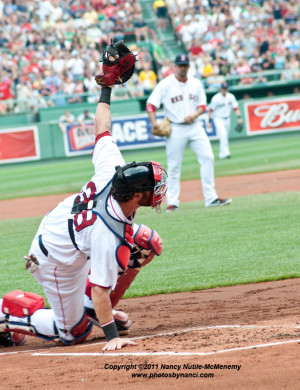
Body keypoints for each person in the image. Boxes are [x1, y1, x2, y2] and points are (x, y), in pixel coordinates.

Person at [0, 73, 167, 351]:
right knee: (73, 334)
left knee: (146, 243)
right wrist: (112, 336)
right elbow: (102, 290)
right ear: (137, 195)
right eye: (153, 187)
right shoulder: (108, 232)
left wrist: (107, 87)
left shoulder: (114, 169)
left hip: (71, 229)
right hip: (55, 259)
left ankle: (89, 308)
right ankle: (6, 315)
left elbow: (102, 126)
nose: (158, 189)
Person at [146, 54, 231, 211]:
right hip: (175, 128)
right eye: (180, 65)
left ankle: (211, 198)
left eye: (185, 65)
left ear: (188, 67)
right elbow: (150, 104)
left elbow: (202, 105)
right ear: (175, 67)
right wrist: (154, 124)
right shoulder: (165, 84)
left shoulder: (196, 83)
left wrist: (195, 115)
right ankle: (172, 202)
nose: (183, 67)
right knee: (174, 165)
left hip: (195, 126)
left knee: (208, 157)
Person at [208, 82, 243, 160]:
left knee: (225, 136)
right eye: (223, 89)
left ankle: (222, 154)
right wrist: (209, 121)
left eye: (226, 88)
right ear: (220, 89)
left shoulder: (231, 97)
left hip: (227, 119)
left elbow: (236, 108)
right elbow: (210, 110)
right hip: (218, 119)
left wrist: (239, 118)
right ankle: (226, 153)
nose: (224, 90)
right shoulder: (216, 98)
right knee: (223, 134)